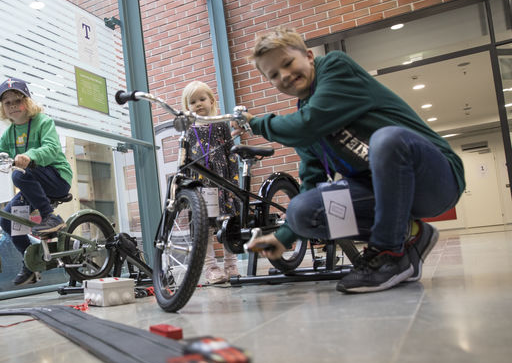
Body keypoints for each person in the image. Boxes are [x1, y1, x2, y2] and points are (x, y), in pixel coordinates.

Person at [238, 27, 465, 293]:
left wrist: (256, 124)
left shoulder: (335, 67)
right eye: (274, 75)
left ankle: (387, 253)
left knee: (387, 140)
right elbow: (311, 180)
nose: (285, 75)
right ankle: (411, 235)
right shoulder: (304, 123)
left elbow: (309, 123)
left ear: (309, 56)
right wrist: (283, 237)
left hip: (434, 181)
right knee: (303, 211)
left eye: (288, 63)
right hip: (382, 195)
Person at [0, 77, 73, 286]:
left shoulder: (43, 122)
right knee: (8, 220)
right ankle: (30, 264)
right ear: (2, 108)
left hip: (56, 178)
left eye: (17, 100)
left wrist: (30, 156)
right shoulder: (9, 133)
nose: (13, 106)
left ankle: (50, 217)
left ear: (27, 102)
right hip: (34, 185)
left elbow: (51, 149)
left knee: (18, 175)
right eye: (7, 103)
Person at [181, 80, 241, 283]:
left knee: (228, 224)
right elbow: (184, 159)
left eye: (202, 99)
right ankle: (211, 268)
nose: (198, 104)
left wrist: (233, 183)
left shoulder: (220, 125)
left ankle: (231, 264)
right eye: (192, 102)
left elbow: (231, 154)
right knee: (204, 228)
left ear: (212, 101)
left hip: (223, 183)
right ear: (187, 107)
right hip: (200, 186)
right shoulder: (188, 130)